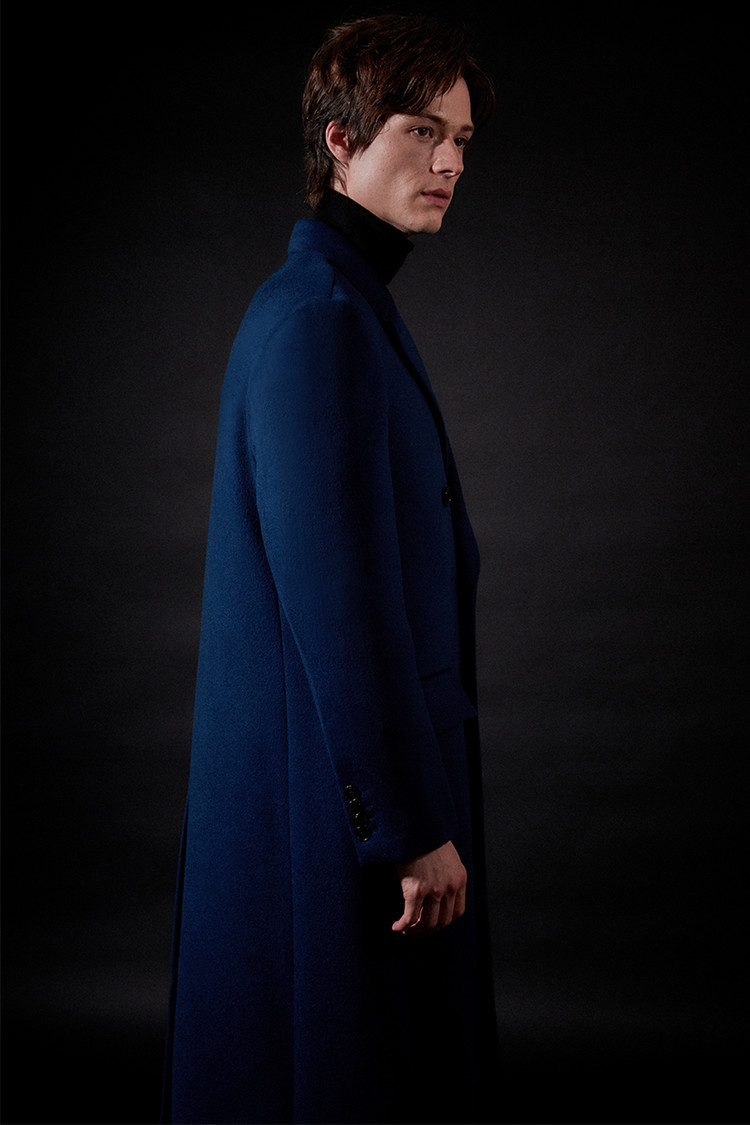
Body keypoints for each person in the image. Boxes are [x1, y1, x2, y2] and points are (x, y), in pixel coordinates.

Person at [162, 14, 497, 1125]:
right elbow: (340, 606)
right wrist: (408, 826)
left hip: (337, 790)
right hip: (342, 813)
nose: (450, 161)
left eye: (460, 137)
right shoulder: (321, 321)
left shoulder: (339, 305)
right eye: (421, 130)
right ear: (341, 142)